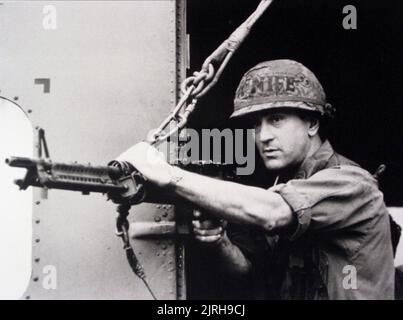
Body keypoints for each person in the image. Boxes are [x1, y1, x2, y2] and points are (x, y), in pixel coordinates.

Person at [117, 59, 395, 299]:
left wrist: (167, 174)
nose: (263, 136)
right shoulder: (282, 187)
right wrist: (219, 241)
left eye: (276, 119)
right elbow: (251, 274)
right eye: (254, 125)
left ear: (312, 123)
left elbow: (272, 212)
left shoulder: (351, 183)